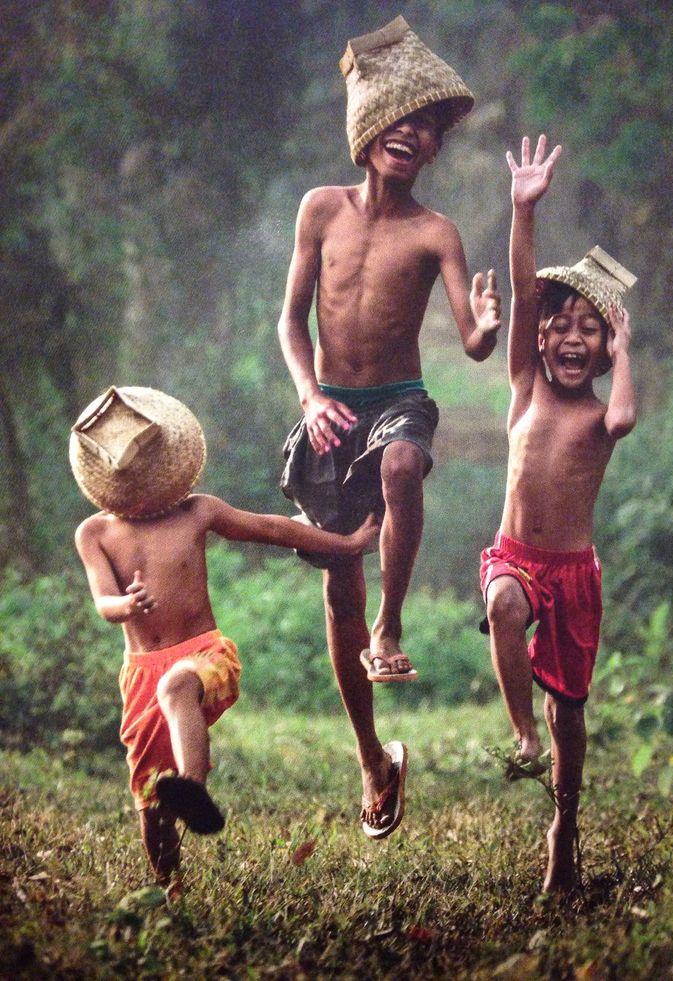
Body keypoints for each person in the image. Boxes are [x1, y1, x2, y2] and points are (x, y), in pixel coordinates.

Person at [278, 15, 501, 839]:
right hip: (331, 406)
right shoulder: (320, 210)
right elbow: (290, 322)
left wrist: (482, 323)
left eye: (427, 129)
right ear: (368, 132)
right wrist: (308, 395)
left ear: (435, 150)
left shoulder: (436, 231)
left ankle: (393, 624)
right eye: (400, 122)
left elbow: (474, 346)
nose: (412, 137)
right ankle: (373, 757)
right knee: (339, 584)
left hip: (400, 397)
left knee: (405, 467)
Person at [70, 385, 379, 891]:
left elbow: (274, 528)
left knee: (176, 687)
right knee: (149, 803)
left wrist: (346, 543)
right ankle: (172, 888)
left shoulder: (198, 511)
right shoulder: (95, 534)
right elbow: (103, 601)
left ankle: (193, 788)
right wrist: (125, 605)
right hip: (140, 672)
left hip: (203, 657)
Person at [480, 135, 637, 892]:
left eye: (590, 329)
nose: (572, 338)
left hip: (574, 574)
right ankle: (518, 734)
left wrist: (631, 351)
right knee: (503, 603)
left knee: (569, 712)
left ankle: (564, 827)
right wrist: (523, 208)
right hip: (515, 555)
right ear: (540, 336)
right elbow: (520, 282)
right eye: (561, 324)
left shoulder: (602, 413)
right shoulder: (523, 386)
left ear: (605, 347)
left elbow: (629, 417)